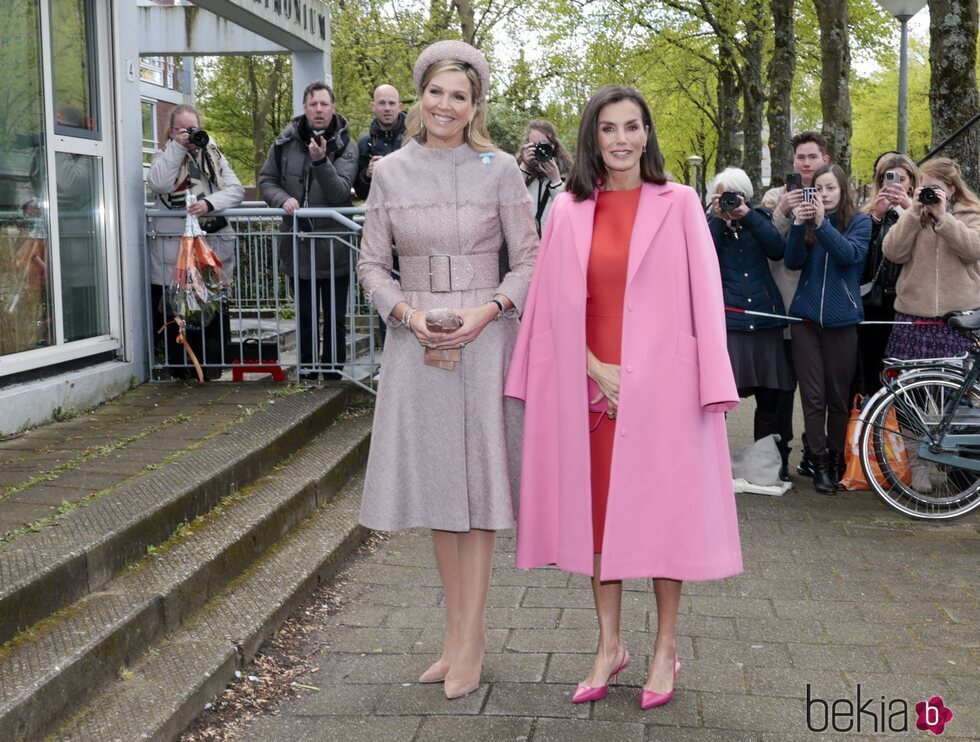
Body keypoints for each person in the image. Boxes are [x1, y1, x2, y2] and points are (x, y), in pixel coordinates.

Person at [505, 85, 742, 711]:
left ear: (647, 133)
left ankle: (666, 646)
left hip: (666, 391)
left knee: (665, 519)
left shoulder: (683, 202)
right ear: (592, 138)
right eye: (608, 128)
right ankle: (609, 644)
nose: (621, 139)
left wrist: (711, 383)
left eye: (632, 126)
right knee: (601, 523)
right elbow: (554, 307)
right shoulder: (568, 210)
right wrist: (591, 368)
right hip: (592, 390)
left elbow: (704, 301)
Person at [356, 40, 538, 700]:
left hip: (486, 342)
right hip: (417, 343)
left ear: (474, 104)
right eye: (437, 92)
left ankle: (473, 638)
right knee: (440, 490)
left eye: (459, 95)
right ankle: (453, 634)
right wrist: (405, 313)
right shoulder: (390, 173)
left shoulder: (501, 172)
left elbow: (529, 260)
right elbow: (372, 265)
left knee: (480, 490)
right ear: (418, 96)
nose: (446, 105)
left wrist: (489, 311)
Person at [882, 157, 980, 491]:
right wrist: (913, 213)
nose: (928, 193)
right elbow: (892, 252)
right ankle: (917, 465)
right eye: (923, 186)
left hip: (958, 320)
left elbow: (973, 250)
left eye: (934, 188)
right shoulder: (913, 215)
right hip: (914, 315)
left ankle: (961, 467)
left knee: (960, 396)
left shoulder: (971, 214)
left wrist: (944, 218)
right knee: (911, 396)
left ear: (952, 189)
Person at [259, 81, 358, 380]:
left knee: (334, 316)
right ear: (304, 107)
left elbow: (340, 192)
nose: (318, 109)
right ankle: (306, 370)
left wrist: (321, 161)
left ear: (333, 108)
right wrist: (281, 199)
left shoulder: (347, 145)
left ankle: (332, 373)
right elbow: (266, 181)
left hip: (334, 247)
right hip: (297, 244)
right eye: (313, 104)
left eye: (324, 104)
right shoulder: (284, 142)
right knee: (304, 315)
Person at [784, 163, 871, 494]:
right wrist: (798, 224)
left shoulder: (859, 223)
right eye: (818, 188)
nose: (823, 194)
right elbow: (792, 262)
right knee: (812, 397)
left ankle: (836, 459)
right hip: (806, 321)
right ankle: (818, 462)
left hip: (842, 323)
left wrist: (821, 225)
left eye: (830, 188)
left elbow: (848, 256)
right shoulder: (806, 223)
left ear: (843, 189)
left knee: (838, 397)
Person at [707, 167, 793, 479]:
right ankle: (714, 466)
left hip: (764, 320)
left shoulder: (759, 218)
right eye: (723, 195)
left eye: (734, 195)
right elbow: (705, 257)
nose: (729, 201)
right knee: (719, 401)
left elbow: (777, 249)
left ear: (745, 195)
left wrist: (747, 215)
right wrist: (718, 218)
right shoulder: (710, 225)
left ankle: (765, 466)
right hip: (730, 325)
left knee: (770, 399)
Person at [147, 104, 244, 379]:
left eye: (193, 129)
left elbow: (236, 191)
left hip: (207, 257)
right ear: (171, 131)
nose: (189, 134)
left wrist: (209, 203)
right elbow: (159, 184)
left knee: (209, 314)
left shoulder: (213, 156)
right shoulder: (163, 156)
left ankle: (210, 372)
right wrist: (177, 148)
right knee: (175, 315)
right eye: (182, 129)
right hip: (172, 259)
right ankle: (179, 372)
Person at [764, 131, 832, 479]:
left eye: (812, 157)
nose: (805, 164)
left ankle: (814, 453)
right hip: (784, 305)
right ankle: (777, 458)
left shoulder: (832, 194)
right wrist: (782, 212)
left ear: (825, 159)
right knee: (781, 387)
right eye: (800, 158)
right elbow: (768, 245)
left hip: (821, 308)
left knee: (818, 389)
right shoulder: (776, 196)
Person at [857, 152, 919, 394]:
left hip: (907, 302)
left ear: (912, 182)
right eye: (887, 177)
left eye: (901, 179)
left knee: (903, 370)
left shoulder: (921, 212)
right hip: (872, 300)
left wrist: (908, 209)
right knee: (870, 366)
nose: (894, 184)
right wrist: (876, 216)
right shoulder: (867, 213)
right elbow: (858, 251)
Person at [516, 120, 572, 235]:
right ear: (527, 145)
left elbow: (569, 212)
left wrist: (556, 181)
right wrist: (524, 167)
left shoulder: (568, 173)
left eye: (544, 144)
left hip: (553, 244)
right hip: (525, 244)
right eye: (535, 145)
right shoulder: (516, 170)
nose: (540, 149)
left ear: (553, 146)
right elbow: (508, 199)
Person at [354, 84, 407, 200]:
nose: (387, 108)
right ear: (373, 107)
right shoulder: (364, 144)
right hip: (379, 214)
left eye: (392, 103)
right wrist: (367, 175)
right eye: (382, 103)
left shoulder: (415, 139)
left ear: (400, 106)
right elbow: (361, 193)